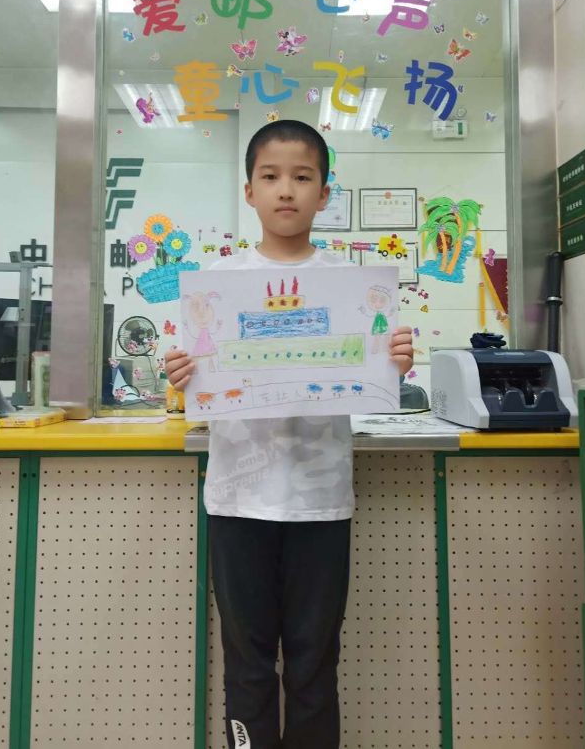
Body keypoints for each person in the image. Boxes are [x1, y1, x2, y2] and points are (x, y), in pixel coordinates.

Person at [165, 119, 413, 749]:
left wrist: (392, 360)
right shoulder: (217, 286)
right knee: (246, 662)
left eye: (302, 177)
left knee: (314, 662)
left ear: (324, 193)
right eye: (270, 176)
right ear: (248, 190)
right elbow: (199, 377)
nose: (286, 190)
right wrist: (184, 372)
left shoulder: (354, 287)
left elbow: (372, 372)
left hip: (320, 502)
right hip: (237, 499)